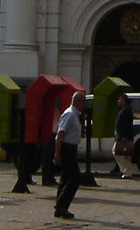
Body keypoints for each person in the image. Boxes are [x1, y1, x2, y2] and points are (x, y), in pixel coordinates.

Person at [53, 91, 86, 220]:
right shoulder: (69, 114)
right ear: (76, 101)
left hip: (72, 148)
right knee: (75, 178)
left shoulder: (76, 115)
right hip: (66, 148)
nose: (84, 104)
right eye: (82, 101)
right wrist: (57, 153)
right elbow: (60, 135)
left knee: (65, 178)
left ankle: (60, 207)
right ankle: (61, 204)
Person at [113, 93, 135, 179]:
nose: (118, 101)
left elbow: (126, 124)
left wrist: (124, 136)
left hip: (124, 137)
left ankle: (125, 171)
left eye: (120, 99)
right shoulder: (124, 109)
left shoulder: (126, 110)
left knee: (121, 154)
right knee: (123, 154)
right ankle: (125, 171)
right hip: (122, 135)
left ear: (124, 100)